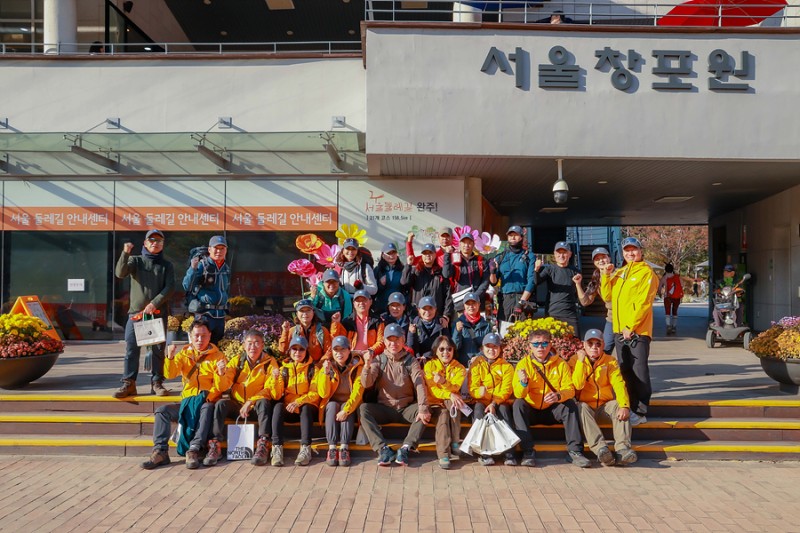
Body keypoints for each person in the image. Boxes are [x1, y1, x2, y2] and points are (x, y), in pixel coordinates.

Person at [141, 318, 230, 470]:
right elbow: (170, 374)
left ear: (210, 335)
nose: (200, 339)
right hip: (187, 402)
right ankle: (160, 451)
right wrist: (170, 357)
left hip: (207, 400)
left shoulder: (218, 357)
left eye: (203, 335)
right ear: (190, 336)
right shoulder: (184, 354)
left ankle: (194, 449)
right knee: (162, 411)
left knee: (207, 407)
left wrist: (220, 373)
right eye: (196, 336)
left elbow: (222, 386)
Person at [601, 236, 658, 426]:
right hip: (619, 330)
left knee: (639, 370)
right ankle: (630, 407)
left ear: (641, 251)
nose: (630, 253)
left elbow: (645, 302)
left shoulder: (646, 273)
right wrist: (605, 275)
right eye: (627, 250)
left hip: (637, 331)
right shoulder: (621, 272)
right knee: (625, 370)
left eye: (634, 249)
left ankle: (640, 411)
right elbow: (607, 296)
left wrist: (631, 326)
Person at [512, 329, 590, 468]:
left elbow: (570, 389)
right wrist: (523, 383)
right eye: (536, 344)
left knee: (570, 405)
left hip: (552, 410)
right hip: (532, 409)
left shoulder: (561, 364)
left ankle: (575, 451)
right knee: (518, 404)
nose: (540, 347)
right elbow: (519, 394)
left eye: (544, 343)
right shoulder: (523, 364)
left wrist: (558, 395)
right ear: (529, 346)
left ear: (550, 345)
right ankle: (528, 451)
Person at [206, 329, 283, 467]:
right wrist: (221, 373)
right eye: (249, 343)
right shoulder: (237, 361)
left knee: (264, 402)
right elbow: (223, 386)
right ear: (244, 345)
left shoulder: (269, 363)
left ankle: (263, 444)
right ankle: (215, 444)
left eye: (257, 343)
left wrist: (251, 401)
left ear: (263, 345)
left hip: (256, 407)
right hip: (238, 404)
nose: (253, 347)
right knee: (221, 404)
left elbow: (269, 390)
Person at [114, 228, 175, 398]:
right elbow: (120, 273)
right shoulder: (136, 261)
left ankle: (157, 383)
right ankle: (129, 383)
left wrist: (154, 303)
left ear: (163, 244)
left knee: (157, 350)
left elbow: (170, 288)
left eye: (159, 241)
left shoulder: (166, 265)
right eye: (152, 240)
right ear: (145, 243)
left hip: (157, 313)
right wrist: (125, 253)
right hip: (136, 314)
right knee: (131, 349)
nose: (155, 243)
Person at [358, 323, 431, 467]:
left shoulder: (411, 361)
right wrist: (366, 366)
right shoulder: (379, 360)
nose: (393, 344)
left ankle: (406, 447)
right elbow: (367, 383)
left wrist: (423, 408)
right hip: (385, 408)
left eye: (397, 339)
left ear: (403, 340)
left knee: (425, 409)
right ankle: (382, 449)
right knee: (363, 409)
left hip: (406, 408)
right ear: (384, 342)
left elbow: (419, 384)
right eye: (390, 340)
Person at [570, 329, 637, 466]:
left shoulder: (610, 361)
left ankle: (623, 449)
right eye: (590, 344)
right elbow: (577, 385)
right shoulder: (574, 361)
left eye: (598, 344)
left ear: (603, 345)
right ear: (584, 345)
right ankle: (601, 449)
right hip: (586, 409)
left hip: (604, 406)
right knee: (581, 407)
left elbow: (619, 384)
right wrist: (581, 362)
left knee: (618, 405)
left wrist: (624, 405)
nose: (594, 347)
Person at [469, 332, 516, 466]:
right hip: (482, 401)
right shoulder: (476, 364)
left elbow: (506, 390)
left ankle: (509, 453)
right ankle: (484, 453)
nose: (491, 350)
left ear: (500, 349)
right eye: (488, 347)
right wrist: (480, 393)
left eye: (495, 347)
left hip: (499, 401)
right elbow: (473, 388)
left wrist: (494, 403)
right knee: (479, 410)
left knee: (504, 411)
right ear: (482, 348)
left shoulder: (507, 366)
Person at [274, 335, 321, 467]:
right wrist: (275, 380)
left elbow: (315, 393)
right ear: (289, 351)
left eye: (301, 349)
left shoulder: (313, 369)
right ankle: (276, 448)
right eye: (294, 349)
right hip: (289, 408)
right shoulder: (283, 370)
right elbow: (277, 394)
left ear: (306, 351)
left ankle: (305, 448)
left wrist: (298, 402)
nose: (298, 352)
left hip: (306, 409)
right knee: (278, 407)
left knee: (306, 407)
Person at [318, 335, 365, 467]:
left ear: (349, 350)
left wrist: (346, 410)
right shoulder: (327, 366)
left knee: (345, 406)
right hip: (332, 404)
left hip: (350, 403)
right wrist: (325, 373)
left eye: (343, 349)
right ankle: (332, 448)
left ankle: (344, 448)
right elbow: (323, 393)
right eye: (336, 350)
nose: (339, 353)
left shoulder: (357, 367)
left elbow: (358, 392)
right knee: (332, 405)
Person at [424, 336, 467, 469]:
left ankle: (455, 441)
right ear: (436, 351)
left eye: (449, 349)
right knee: (443, 416)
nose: (445, 352)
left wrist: (443, 382)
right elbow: (432, 390)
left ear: (453, 350)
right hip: (434, 404)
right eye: (441, 349)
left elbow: (456, 387)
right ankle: (443, 454)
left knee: (455, 403)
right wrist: (449, 394)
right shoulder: (429, 366)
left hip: (451, 402)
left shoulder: (459, 368)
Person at [183, 235, 231, 345]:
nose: (219, 251)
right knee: (202, 346)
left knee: (216, 348)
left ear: (226, 250)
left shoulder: (226, 268)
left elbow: (226, 290)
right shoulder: (202, 265)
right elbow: (186, 286)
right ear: (209, 249)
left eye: (222, 248)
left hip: (220, 316)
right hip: (204, 315)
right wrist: (193, 269)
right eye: (216, 248)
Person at [534, 241, 581, 337]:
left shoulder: (576, 272)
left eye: (564, 252)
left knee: (575, 342)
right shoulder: (549, 269)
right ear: (554, 254)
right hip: (552, 313)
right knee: (551, 343)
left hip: (570, 314)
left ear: (570, 254)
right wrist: (536, 269)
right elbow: (536, 282)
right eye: (559, 253)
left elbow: (580, 294)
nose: (561, 256)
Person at [490, 225, 536, 322]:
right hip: (505, 300)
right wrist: (492, 272)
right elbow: (493, 282)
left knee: (523, 330)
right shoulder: (500, 257)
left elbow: (531, 281)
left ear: (521, 237)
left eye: (516, 235)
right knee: (504, 329)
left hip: (522, 298)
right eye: (510, 235)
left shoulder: (530, 256)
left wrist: (521, 302)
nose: (513, 237)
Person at [574, 247, 615, 354]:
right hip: (612, 319)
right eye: (597, 259)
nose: (601, 260)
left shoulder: (618, 274)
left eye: (603, 257)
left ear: (609, 258)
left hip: (626, 319)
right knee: (604, 350)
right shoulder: (596, 278)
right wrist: (578, 284)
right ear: (594, 262)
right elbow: (585, 301)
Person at [401, 242, 453, 323]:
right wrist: (408, 265)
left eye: (430, 253)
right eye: (425, 253)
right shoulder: (416, 271)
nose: (428, 255)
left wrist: (446, 315)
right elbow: (404, 282)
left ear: (435, 255)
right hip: (418, 316)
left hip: (437, 317)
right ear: (422, 255)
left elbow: (448, 295)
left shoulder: (440, 273)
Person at [443, 232, 490, 311]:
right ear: (460, 244)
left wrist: (475, 296)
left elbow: (485, 281)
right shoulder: (454, 259)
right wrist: (447, 255)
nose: (466, 245)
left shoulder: (481, 260)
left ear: (473, 244)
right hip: (460, 304)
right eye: (464, 243)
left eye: (469, 243)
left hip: (477, 304)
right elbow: (446, 274)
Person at [335, 289, 385, 358]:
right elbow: (341, 342)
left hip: (371, 357)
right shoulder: (347, 322)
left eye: (364, 300)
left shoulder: (377, 321)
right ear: (354, 304)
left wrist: (371, 351)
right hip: (352, 357)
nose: (361, 303)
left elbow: (381, 341)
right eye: (358, 301)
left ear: (370, 302)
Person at [452, 292, 492, 366]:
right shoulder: (457, 323)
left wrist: (478, 357)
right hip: (461, 366)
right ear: (464, 305)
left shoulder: (486, 325)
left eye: (473, 303)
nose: (471, 306)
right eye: (468, 304)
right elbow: (455, 347)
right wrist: (457, 331)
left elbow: (489, 346)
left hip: (480, 365)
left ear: (479, 304)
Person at [374, 242, 406, 314]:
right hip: (382, 308)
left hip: (397, 309)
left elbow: (406, 289)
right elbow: (373, 291)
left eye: (393, 253)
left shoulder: (402, 269)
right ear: (383, 255)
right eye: (389, 253)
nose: (392, 255)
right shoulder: (378, 270)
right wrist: (381, 284)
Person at [659, 263, 684, 335]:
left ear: (665, 270)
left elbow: (659, 288)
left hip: (667, 297)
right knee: (675, 311)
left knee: (667, 312)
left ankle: (668, 326)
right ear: (672, 269)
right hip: (676, 296)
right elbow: (682, 285)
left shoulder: (664, 278)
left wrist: (660, 294)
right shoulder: (677, 277)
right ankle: (674, 327)